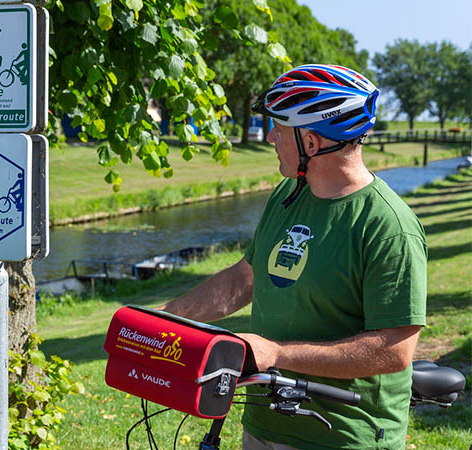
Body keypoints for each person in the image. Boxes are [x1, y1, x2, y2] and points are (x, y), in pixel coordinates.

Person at [158, 64, 426, 449]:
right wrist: (166, 318)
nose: (269, 137)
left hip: (343, 436)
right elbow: (244, 279)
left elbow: (394, 350)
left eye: (278, 129)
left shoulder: (388, 226)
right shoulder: (288, 196)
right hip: (265, 424)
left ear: (312, 143)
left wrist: (277, 354)